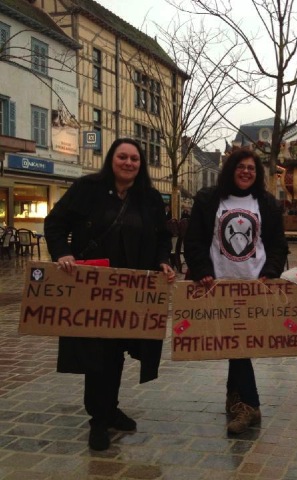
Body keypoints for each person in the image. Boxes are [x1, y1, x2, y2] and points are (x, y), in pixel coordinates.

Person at [44, 138, 176, 451]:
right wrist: (62, 253)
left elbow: (161, 239)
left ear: (140, 164)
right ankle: (98, 419)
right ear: (111, 159)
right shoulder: (86, 188)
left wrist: (164, 261)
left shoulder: (150, 198)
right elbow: (55, 224)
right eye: (123, 157)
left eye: (134, 158)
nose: (128, 163)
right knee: (96, 354)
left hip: (131, 294)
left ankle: (110, 408)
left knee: (116, 351)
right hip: (92, 290)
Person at [183, 148, 288, 434]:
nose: (246, 172)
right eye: (240, 167)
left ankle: (244, 404)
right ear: (230, 169)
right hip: (219, 283)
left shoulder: (265, 203)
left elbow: (278, 243)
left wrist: (271, 272)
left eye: (251, 169)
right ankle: (245, 403)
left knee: (240, 342)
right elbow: (193, 239)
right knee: (236, 342)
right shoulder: (209, 199)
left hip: (256, 284)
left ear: (258, 174)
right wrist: (203, 270)